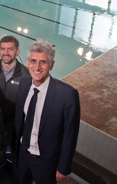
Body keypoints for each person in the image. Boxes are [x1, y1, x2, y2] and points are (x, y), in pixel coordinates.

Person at [15, 40, 80, 184]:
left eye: (43, 62)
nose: (37, 67)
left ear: (51, 65)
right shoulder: (24, 84)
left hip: (47, 161)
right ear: (27, 62)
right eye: (33, 61)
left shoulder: (67, 94)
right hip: (23, 154)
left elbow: (70, 134)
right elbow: (21, 120)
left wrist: (63, 167)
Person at [0, 35, 30, 180]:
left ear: (17, 51)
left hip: (13, 129)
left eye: (10, 49)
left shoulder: (25, 75)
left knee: (15, 161)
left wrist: (12, 127)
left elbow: (26, 107)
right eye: (3, 49)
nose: (6, 52)